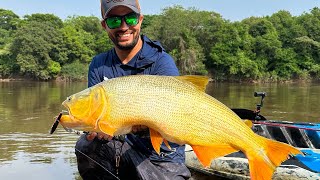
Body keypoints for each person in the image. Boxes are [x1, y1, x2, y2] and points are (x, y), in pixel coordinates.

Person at [75, 0, 191, 179]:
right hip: (125, 149)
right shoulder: (98, 65)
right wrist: (97, 130)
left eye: (129, 18)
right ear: (104, 25)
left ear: (140, 20)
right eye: (114, 21)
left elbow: (178, 118)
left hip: (162, 158)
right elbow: (95, 117)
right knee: (86, 146)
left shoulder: (161, 62)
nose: (123, 26)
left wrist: (143, 127)